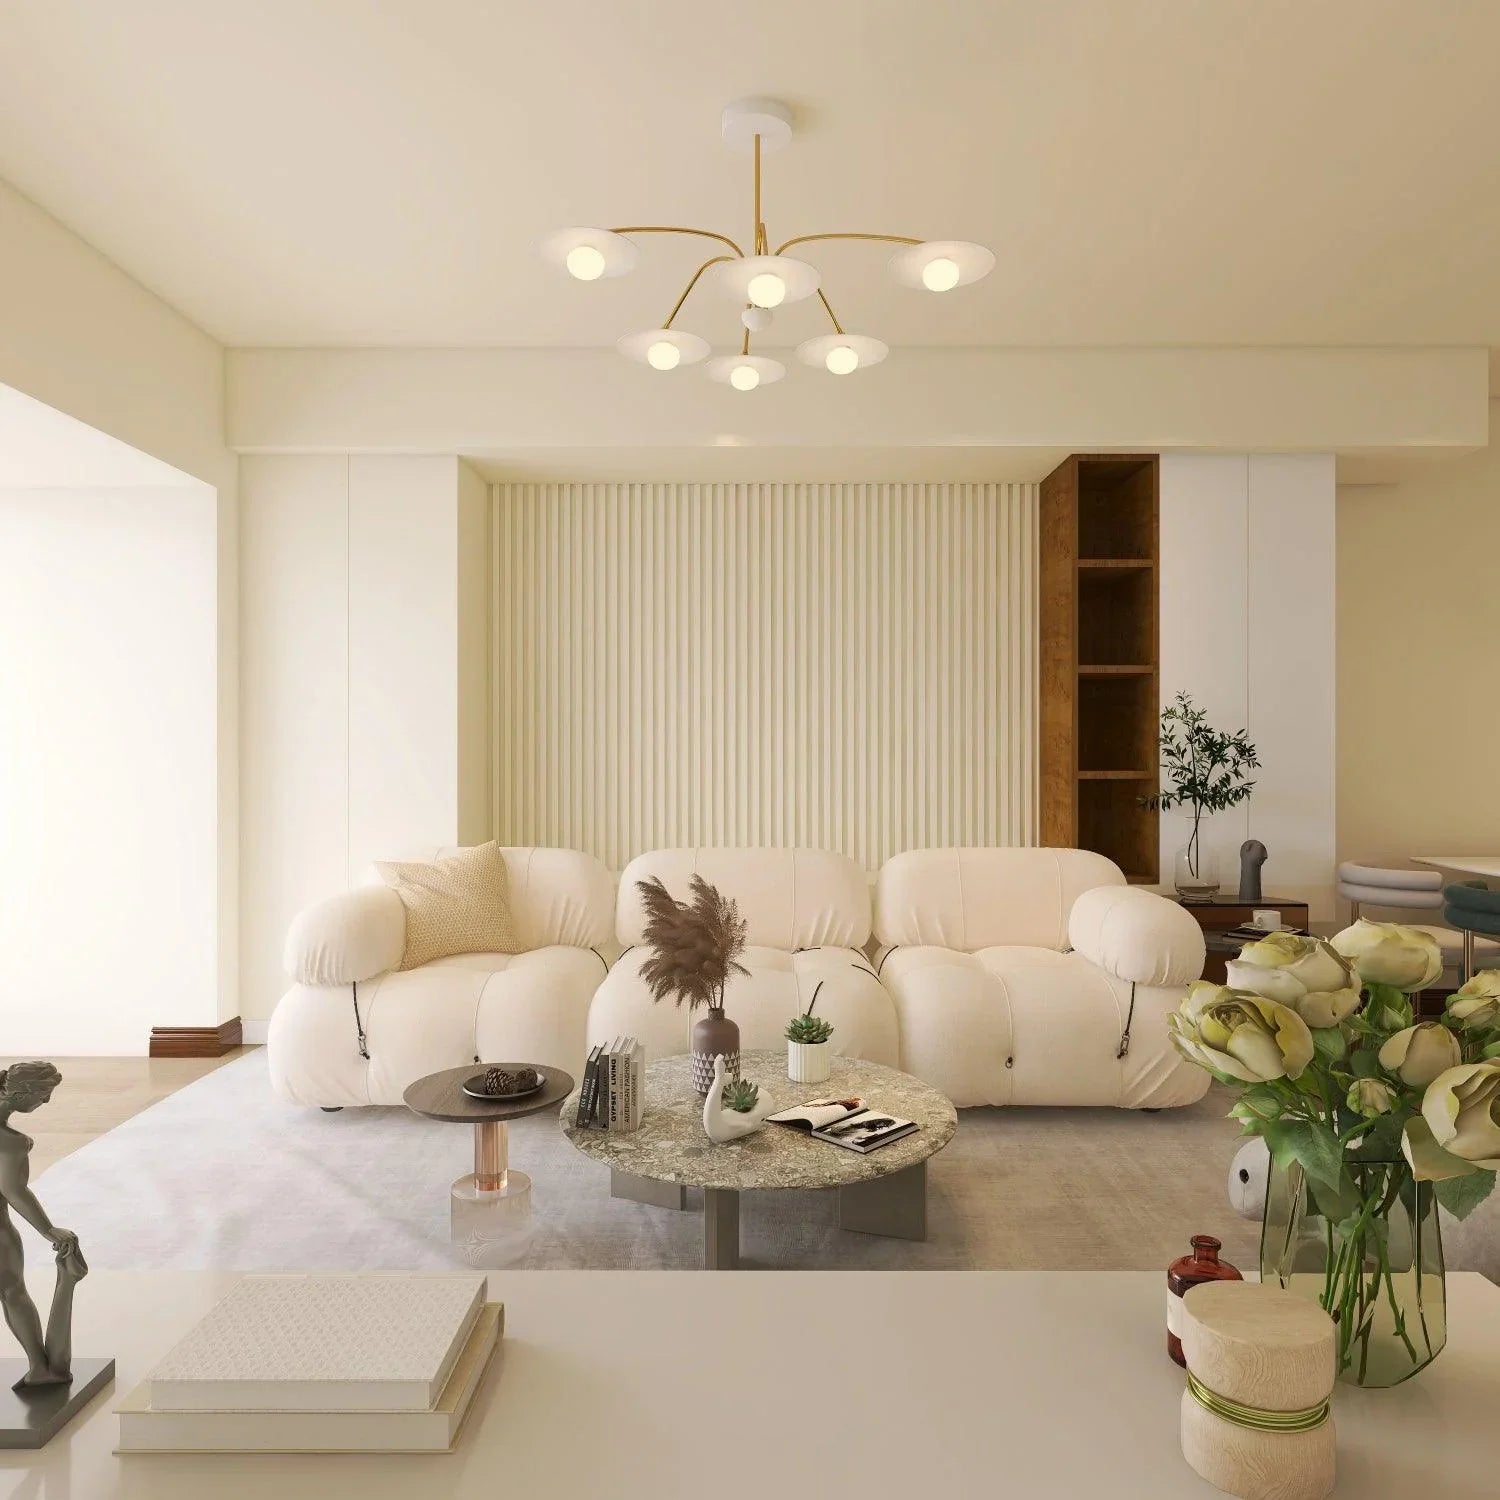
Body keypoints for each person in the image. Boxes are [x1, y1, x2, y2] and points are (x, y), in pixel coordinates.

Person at [0, 1061, 85, 1389]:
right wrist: (48, 1230)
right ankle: (42, 1367)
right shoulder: (11, 1142)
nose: (46, 1102)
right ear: (20, 1094)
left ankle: (43, 1367)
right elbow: (12, 1190)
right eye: (44, 1095)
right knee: (12, 1293)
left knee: (12, 1294)